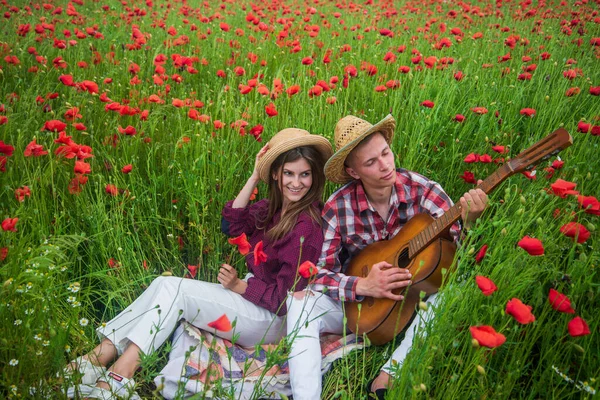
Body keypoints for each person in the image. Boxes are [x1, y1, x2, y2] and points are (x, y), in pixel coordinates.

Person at [63, 128, 333, 400]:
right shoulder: (271, 209)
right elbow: (231, 224)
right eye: (289, 173)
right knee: (164, 284)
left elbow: (286, 302)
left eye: (305, 174)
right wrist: (254, 176)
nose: (297, 183)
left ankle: (117, 374)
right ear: (275, 174)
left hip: (272, 321)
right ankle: (101, 358)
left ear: (314, 176)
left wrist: (239, 287)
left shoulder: (306, 228)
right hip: (253, 303)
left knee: (177, 291)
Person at [285, 115, 488, 400]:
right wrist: (362, 286)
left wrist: (469, 223)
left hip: (416, 299)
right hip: (361, 309)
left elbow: (463, 261)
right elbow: (316, 272)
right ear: (354, 172)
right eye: (371, 162)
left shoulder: (424, 190)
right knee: (300, 302)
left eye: (385, 153)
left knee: (455, 288)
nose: (385, 165)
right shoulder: (338, 206)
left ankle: (389, 374)